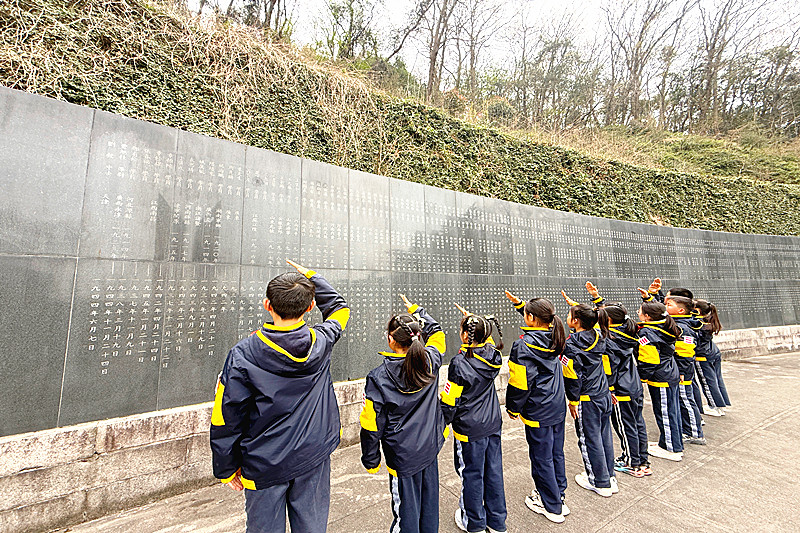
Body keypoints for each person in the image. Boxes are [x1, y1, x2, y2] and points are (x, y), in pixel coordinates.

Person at [210, 260, 349, 533]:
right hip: (313, 455)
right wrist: (311, 276)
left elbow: (226, 416)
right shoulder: (321, 340)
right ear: (310, 308)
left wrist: (226, 467)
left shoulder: (243, 354)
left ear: (267, 304)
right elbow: (339, 308)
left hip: (265, 463)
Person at [359, 295, 447, 533]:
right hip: (430, 447)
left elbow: (370, 424)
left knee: (406, 512)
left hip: (403, 456)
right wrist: (419, 310)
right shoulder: (431, 359)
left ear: (390, 340)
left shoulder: (378, 377)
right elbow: (438, 332)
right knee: (429, 506)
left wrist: (371, 459)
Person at [504, 291, 569, 524]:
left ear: (531, 318)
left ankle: (551, 506)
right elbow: (539, 319)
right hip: (556, 405)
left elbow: (520, 383)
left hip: (538, 409)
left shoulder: (523, 346)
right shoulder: (556, 334)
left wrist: (513, 408)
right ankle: (558, 495)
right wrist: (520, 305)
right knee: (556, 453)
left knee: (541, 457)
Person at [441, 304, 507, 533]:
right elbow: (485, 341)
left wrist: (442, 424)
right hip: (492, 423)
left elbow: (450, 401)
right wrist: (473, 323)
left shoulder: (459, 364)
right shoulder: (494, 356)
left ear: (463, 335)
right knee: (494, 471)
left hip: (469, 429)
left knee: (471, 475)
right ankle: (497, 523)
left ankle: (475, 523)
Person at [563, 304, 617, 498]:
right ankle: (609, 477)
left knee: (589, 438)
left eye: (569, 315)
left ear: (576, 321)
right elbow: (608, 365)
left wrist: (573, 400)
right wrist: (610, 388)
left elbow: (572, 374)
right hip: (603, 394)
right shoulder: (600, 336)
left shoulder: (572, 344)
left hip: (587, 399)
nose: (567, 317)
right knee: (604, 436)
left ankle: (598, 481)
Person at [603, 304, 650, 477]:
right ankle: (643, 460)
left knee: (625, 426)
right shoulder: (627, 331)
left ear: (608, 320)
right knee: (638, 423)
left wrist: (610, 389)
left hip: (621, 390)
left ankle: (632, 463)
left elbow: (610, 369)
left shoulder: (610, 340)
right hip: (634, 385)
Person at [636, 300, 684, 462]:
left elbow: (649, 360)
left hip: (661, 378)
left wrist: (642, 377)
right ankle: (668, 443)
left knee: (665, 412)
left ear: (647, 317)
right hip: (670, 373)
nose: (637, 313)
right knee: (672, 410)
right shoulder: (665, 326)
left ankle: (672, 449)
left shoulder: (647, 333)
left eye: (640, 311)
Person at [665, 295, 706, 445]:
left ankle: (695, 433)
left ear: (681, 310)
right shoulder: (678, 323)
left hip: (683, 371)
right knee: (682, 399)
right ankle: (687, 428)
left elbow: (686, 353)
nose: (665, 308)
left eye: (669, 305)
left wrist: (682, 371)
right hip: (679, 369)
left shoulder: (684, 329)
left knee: (685, 400)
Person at [694, 299, 731, 414]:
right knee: (717, 379)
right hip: (713, 352)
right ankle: (720, 405)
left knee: (707, 381)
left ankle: (713, 406)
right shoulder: (709, 320)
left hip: (703, 356)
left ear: (697, 310)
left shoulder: (699, 323)